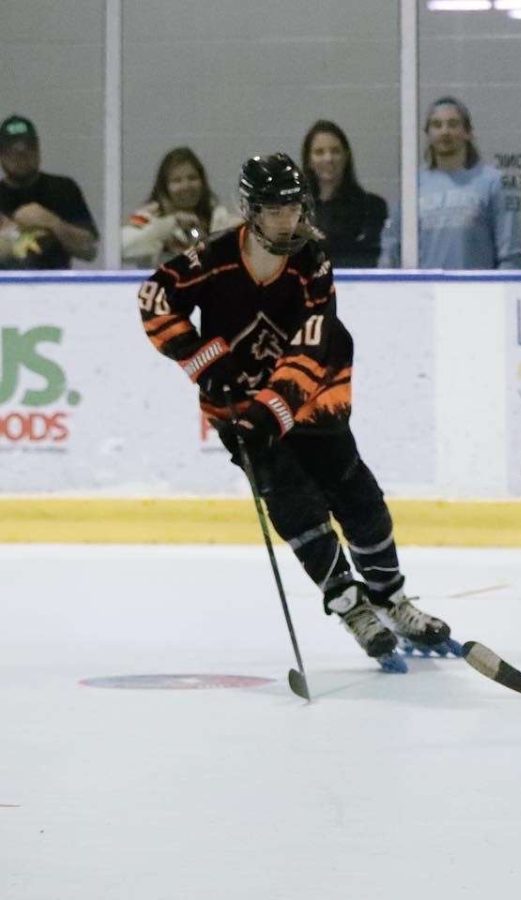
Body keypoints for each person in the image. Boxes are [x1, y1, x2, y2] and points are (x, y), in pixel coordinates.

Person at [138, 151, 458, 670]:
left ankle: (391, 599)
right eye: (275, 209)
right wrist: (203, 361)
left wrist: (272, 410)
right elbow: (155, 298)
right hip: (239, 411)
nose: (288, 219)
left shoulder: (313, 259)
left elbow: (314, 344)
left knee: (358, 496)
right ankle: (351, 606)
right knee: (295, 508)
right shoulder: (214, 258)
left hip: (312, 400)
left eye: (293, 206)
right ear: (250, 210)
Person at [382, 96, 521, 269]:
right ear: (428, 133)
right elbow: (391, 249)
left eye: (453, 124)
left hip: (478, 293)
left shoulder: (494, 183)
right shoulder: (411, 186)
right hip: (424, 293)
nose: (445, 132)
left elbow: (510, 254)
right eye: (437, 125)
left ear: (468, 132)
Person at [0, 114, 98, 269]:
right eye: (14, 152)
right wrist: (14, 232)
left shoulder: (63, 189)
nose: (21, 157)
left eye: (28, 149)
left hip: (55, 287)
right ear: (2, 155)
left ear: (38, 149)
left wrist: (53, 223)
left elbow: (89, 250)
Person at [122, 146, 238, 268]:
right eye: (176, 181)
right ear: (164, 187)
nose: (186, 186)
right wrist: (170, 224)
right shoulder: (149, 217)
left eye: (192, 178)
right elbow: (122, 248)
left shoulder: (218, 217)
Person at [301, 120, 388, 268]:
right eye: (319, 152)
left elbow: (367, 257)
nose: (328, 159)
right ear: (309, 160)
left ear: (346, 156)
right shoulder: (296, 211)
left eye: (335, 151)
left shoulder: (371, 207)